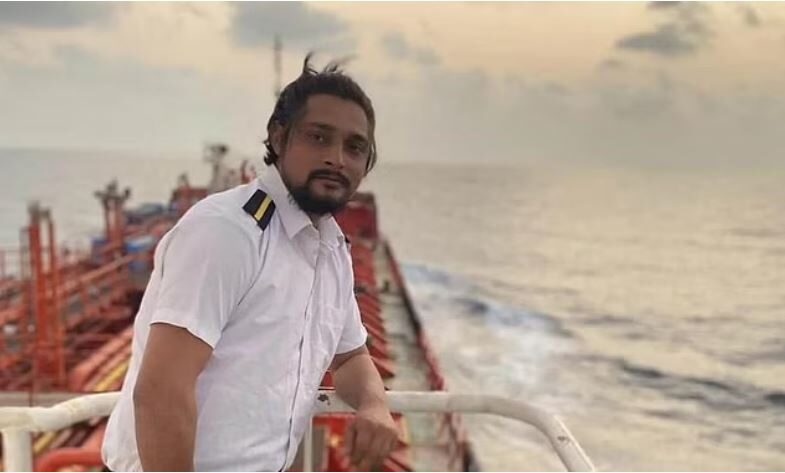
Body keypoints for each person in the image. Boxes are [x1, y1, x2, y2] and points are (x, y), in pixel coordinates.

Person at [102, 55, 398, 472]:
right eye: (318, 137)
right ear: (278, 137)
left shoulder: (331, 251)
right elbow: (161, 390)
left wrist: (374, 404)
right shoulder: (228, 233)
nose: (337, 158)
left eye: (355, 147)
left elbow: (350, 357)